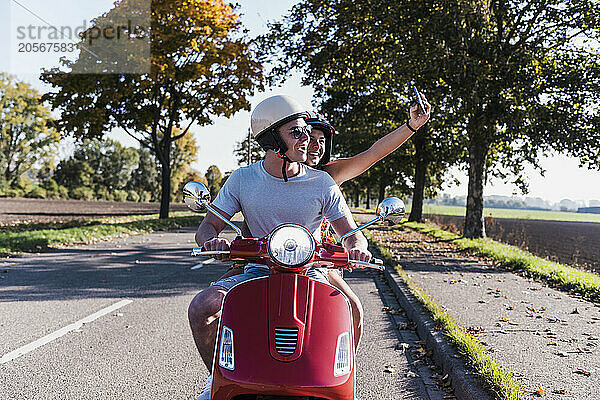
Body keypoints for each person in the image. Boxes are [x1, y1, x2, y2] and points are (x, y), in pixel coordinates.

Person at [189, 94, 373, 400]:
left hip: (311, 270)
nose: (307, 139)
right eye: (296, 133)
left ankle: (341, 380)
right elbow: (208, 226)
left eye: (305, 131)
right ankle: (219, 378)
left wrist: (358, 247)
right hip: (257, 269)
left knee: (352, 308)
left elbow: (351, 232)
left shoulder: (321, 183)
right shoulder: (243, 179)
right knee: (202, 307)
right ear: (273, 140)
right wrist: (212, 242)